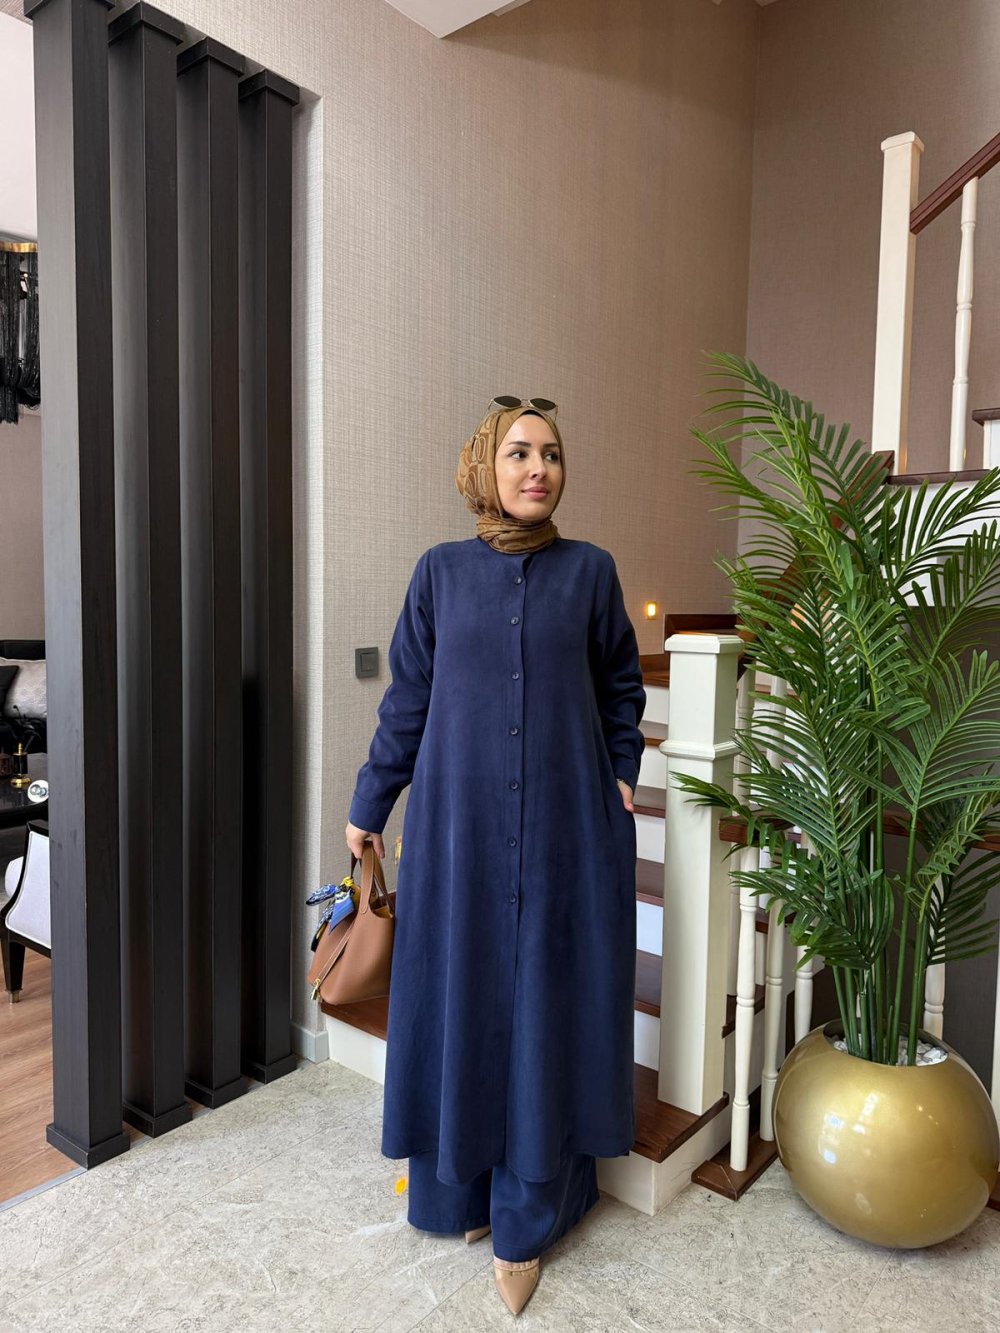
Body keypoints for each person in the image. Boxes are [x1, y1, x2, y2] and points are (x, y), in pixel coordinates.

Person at [345, 396, 646, 1316]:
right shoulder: (439, 573)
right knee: (464, 1000)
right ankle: (460, 1193)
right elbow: (408, 697)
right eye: (518, 452)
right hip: (459, 832)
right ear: (485, 465)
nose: (537, 468)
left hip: (565, 831)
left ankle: (528, 1214)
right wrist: (369, 802)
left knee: (545, 1010)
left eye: (551, 453)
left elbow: (620, 684)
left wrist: (622, 772)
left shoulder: (590, 572)